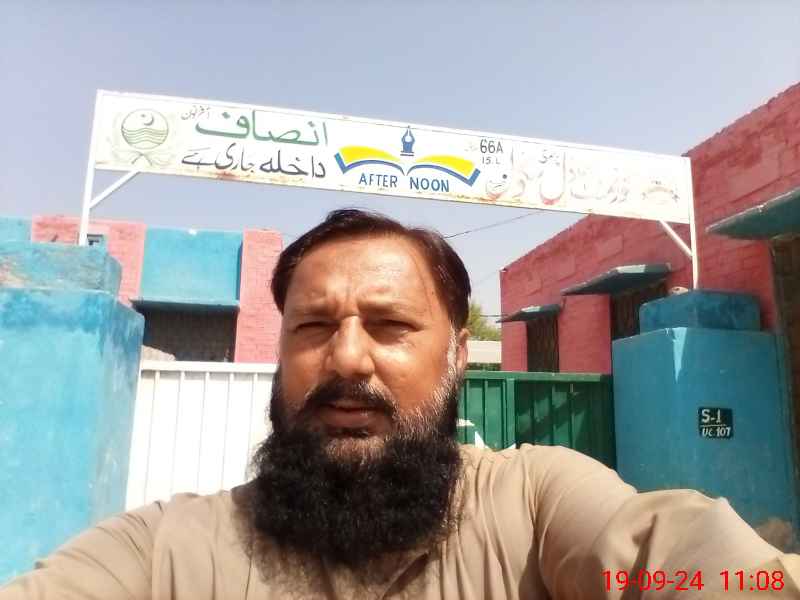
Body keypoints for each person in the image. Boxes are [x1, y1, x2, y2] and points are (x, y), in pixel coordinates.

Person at [2, 208, 798, 599]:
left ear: (456, 356)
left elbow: (698, 566)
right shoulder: (168, 552)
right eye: (313, 327)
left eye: (390, 326)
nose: (347, 358)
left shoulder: (534, 504)